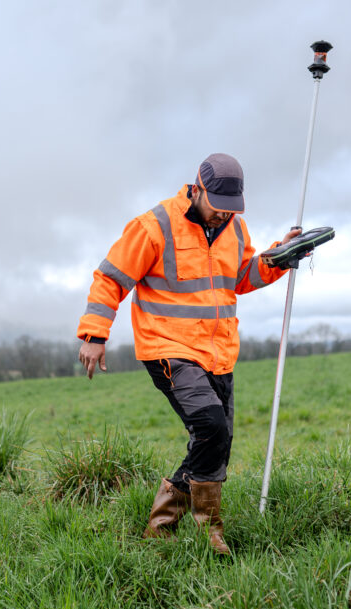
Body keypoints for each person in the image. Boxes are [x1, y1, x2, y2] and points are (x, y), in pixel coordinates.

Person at [76, 153, 299, 554]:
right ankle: (210, 533)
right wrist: (95, 333)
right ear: (196, 190)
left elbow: (242, 278)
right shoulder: (154, 225)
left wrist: (277, 259)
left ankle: (161, 527)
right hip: (169, 348)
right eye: (217, 208)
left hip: (219, 351)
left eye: (231, 210)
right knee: (212, 427)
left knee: (217, 441)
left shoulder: (234, 227)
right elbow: (110, 277)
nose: (223, 217)